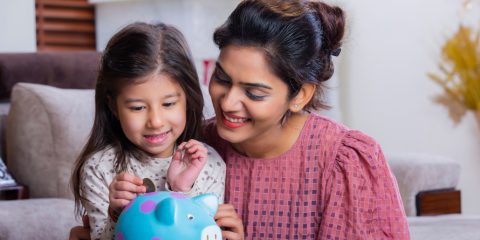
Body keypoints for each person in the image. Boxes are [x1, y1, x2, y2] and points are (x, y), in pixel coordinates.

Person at [70, 0, 410, 239]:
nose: (227, 102)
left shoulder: (345, 162)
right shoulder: (193, 147)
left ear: (301, 96)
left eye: (255, 92)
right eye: (221, 77)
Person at [69, 22, 227, 240]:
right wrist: (116, 214)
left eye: (169, 104)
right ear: (114, 106)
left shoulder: (209, 164)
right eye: (137, 108)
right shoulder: (100, 168)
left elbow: (207, 233)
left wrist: (181, 190)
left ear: (188, 99)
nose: (155, 121)